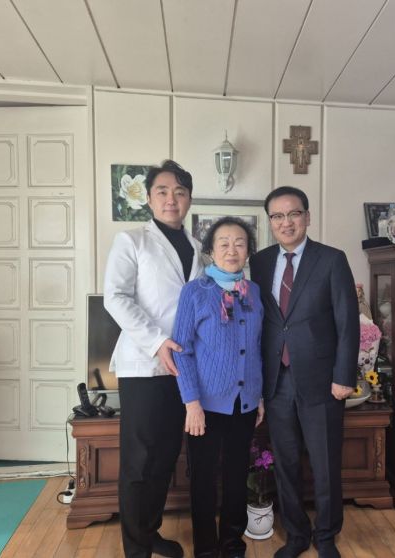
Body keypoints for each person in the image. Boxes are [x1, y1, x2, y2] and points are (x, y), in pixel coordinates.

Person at [249, 186, 359, 558]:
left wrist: (344, 376)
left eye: (293, 213)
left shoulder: (331, 259)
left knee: (325, 465)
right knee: (286, 464)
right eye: (277, 216)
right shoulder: (260, 262)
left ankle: (326, 536)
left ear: (307, 217)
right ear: (270, 222)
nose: (286, 222)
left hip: (322, 381)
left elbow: (348, 322)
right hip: (276, 381)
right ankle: (296, 535)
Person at [104, 159, 203, 558]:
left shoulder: (199, 247)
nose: (171, 199)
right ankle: (136, 549)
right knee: (140, 462)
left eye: (180, 191)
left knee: (165, 457)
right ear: (148, 198)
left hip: (185, 368)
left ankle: (150, 531)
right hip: (144, 366)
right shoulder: (131, 241)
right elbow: (115, 298)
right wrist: (158, 341)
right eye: (162, 191)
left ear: (189, 199)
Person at [172, 217, 265, 558]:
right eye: (223, 243)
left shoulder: (254, 292)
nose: (232, 250)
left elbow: (257, 347)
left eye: (240, 243)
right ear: (210, 251)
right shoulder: (195, 292)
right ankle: (207, 548)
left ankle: (232, 542)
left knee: (237, 475)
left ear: (248, 251)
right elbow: (181, 349)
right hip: (205, 406)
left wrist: (259, 397)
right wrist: (191, 403)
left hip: (245, 403)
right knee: (204, 479)